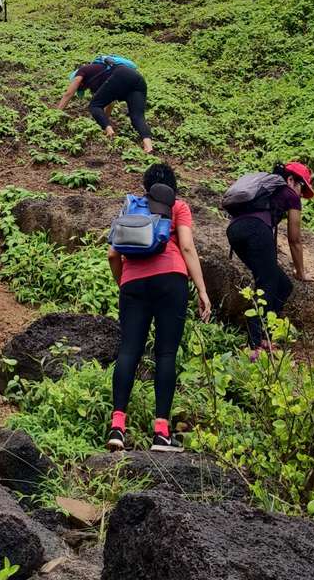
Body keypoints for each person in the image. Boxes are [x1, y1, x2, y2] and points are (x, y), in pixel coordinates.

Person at [106, 163, 212, 452]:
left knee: (128, 351)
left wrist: (125, 283)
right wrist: (202, 290)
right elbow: (187, 247)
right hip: (171, 280)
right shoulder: (178, 206)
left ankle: (117, 427)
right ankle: (161, 433)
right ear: (172, 187)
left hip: (133, 283)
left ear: (146, 186)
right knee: (166, 353)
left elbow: (113, 254)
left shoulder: (131, 207)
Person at [223, 161, 313, 354]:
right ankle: (254, 345)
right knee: (268, 283)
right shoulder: (290, 194)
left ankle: (265, 335)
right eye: (302, 187)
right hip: (256, 231)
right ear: (291, 180)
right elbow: (294, 239)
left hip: (234, 231)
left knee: (283, 285)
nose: (301, 195)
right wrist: (300, 272)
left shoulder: (265, 190)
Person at [56, 56, 154, 153]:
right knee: (137, 116)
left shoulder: (81, 71)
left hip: (121, 74)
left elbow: (68, 94)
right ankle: (149, 147)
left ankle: (110, 132)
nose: (84, 89)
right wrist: (104, 122)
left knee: (94, 106)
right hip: (137, 79)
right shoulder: (101, 77)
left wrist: (57, 113)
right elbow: (110, 103)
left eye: (80, 88)